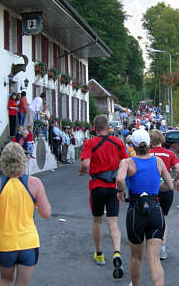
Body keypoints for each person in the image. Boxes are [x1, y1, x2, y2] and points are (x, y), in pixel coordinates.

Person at [0, 142, 51, 286]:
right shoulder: (35, 183)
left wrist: (3, 221)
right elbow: (46, 213)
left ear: (3, 161)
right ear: (23, 160)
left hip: (5, 243)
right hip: (28, 242)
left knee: (5, 280)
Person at [116, 129, 174, 286]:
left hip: (136, 211)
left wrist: (120, 192)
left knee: (136, 257)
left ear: (133, 145)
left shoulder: (127, 162)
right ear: (149, 144)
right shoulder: (158, 162)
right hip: (155, 209)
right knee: (154, 260)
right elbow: (169, 186)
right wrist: (154, 188)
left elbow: (120, 179)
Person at [79, 114, 128, 279]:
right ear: (108, 127)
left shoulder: (89, 143)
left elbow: (85, 164)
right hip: (113, 186)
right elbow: (125, 163)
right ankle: (116, 252)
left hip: (97, 186)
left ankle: (99, 254)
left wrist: (82, 171)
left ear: (94, 128)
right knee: (113, 223)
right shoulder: (118, 142)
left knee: (97, 220)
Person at [149, 129, 179, 259]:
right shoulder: (170, 154)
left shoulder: (147, 153)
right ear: (162, 139)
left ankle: (151, 246)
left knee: (151, 218)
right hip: (166, 189)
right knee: (164, 219)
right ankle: (162, 248)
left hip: (151, 189)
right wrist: (176, 179)